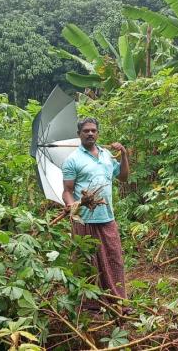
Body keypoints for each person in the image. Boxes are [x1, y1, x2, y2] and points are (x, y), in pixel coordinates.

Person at [61, 117, 130, 314]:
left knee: (114, 258)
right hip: (84, 219)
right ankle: (89, 305)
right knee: (87, 261)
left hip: (107, 217)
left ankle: (117, 301)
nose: (90, 133)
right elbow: (67, 190)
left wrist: (124, 154)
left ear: (98, 133)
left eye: (93, 130)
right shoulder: (73, 160)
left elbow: (123, 177)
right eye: (86, 131)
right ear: (79, 135)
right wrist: (70, 204)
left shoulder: (108, 155)